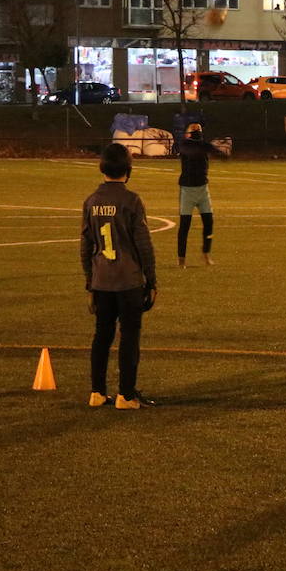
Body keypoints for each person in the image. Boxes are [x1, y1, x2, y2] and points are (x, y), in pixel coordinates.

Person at [80, 143, 158, 410]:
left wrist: (90, 280)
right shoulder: (131, 200)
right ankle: (126, 394)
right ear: (128, 168)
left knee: (101, 335)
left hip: (102, 279)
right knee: (129, 335)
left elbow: (85, 246)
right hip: (128, 279)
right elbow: (143, 243)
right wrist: (152, 278)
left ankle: (97, 392)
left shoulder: (91, 201)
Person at [176, 121, 229, 267]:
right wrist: (211, 149)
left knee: (209, 222)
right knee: (185, 226)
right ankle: (181, 259)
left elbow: (218, 153)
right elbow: (190, 150)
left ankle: (206, 254)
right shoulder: (186, 145)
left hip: (202, 189)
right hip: (187, 190)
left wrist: (219, 153)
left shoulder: (202, 146)